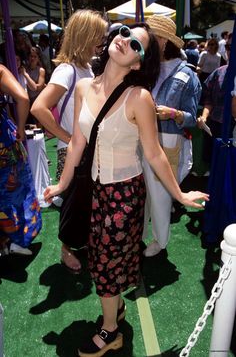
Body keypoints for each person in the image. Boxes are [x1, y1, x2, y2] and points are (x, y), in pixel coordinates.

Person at [43, 22, 208, 356]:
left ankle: (110, 330)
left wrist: (179, 194)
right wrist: (60, 184)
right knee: (100, 257)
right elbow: (77, 141)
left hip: (124, 195)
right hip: (92, 190)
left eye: (136, 44)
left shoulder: (140, 98)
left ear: (137, 63)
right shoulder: (83, 87)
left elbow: (154, 153)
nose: (124, 41)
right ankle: (114, 309)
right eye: (122, 33)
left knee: (106, 263)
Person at [31, 9, 108, 273]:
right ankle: (66, 250)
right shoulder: (67, 70)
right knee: (72, 205)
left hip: (85, 150)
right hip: (72, 151)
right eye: (99, 35)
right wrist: (68, 137)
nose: (103, 40)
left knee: (84, 203)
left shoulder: (86, 67)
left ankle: (81, 243)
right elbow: (39, 107)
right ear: (86, 36)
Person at [141, 15, 202, 257]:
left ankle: (160, 240)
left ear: (165, 41)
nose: (146, 42)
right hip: (142, 136)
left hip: (168, 138)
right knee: (143, 191)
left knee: (160, 193)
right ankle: (144, 234)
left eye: (152, 38)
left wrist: (173, 113)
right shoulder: (145, 67)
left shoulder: (187, 74)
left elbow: (192, 118)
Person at [0, 64, 42, 255]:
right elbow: (23, 98)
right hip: (4, 141)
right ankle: (17, 239)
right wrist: (21, 126)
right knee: (17, 188)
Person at [197, 34, 233, 169]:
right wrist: (204, 117)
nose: (230, 50)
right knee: (215, 165)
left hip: (233, 129)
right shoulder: (219, 72)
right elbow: (209, 100)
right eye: (228, 47)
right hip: (216, 127)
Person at [23, 46, 46, 124]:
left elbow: (39, 88)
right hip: (27, 101)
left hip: (37, 100)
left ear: (38, 58)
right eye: (31, 56)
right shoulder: (24, 69)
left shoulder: (41, 70)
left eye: (35, 56)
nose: (32, 58)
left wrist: (27, 77)